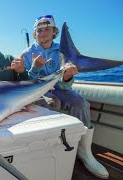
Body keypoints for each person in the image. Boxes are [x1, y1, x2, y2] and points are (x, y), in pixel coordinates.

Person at [22, 15, 109, 179]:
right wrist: (34, 69)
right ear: (35, 34)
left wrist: (68, 76)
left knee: (81, 103)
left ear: (54, 32)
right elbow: (27, 84)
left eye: (47, 29)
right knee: (48, 104)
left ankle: (84, 152)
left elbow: (64, 86)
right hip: (39, 93)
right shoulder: (27, 54)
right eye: (39, 30)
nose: (43, 33)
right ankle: (47, 151)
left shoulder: (62, 51)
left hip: (61, 90)